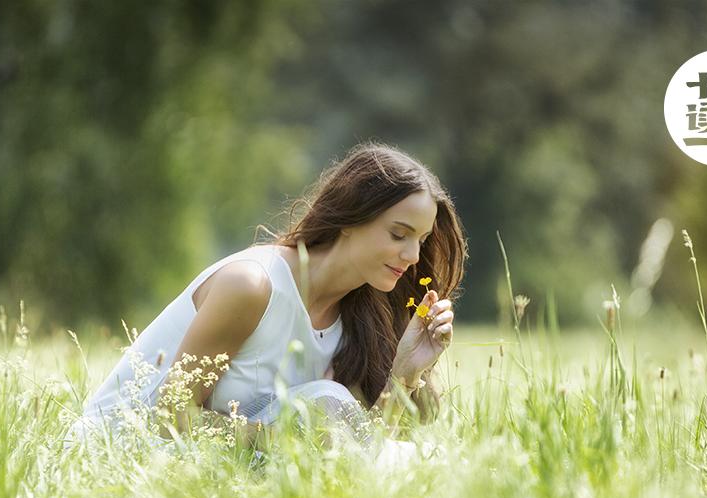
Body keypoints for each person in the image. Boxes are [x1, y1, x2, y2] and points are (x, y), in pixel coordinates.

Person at [68, 143, 468, 456]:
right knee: (330, 405)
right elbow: (170, 418)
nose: (413, 256)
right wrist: (285, 439)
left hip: (219, 466)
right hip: (121, 454)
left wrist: (405, 374)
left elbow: (364, 450)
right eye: (398, 234)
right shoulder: (251, 286)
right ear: (352, 218)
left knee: (416, 456)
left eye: (421, 240)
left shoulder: (357, 318)